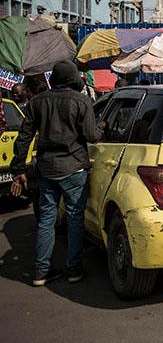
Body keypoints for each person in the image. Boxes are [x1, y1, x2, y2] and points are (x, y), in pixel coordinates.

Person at [10, 61, 105, 286]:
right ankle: (73, 269)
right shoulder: (81, 101)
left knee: (46, 220)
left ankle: (41, 272)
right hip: (74, 169)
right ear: (73, 78)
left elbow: (23, 137)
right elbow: (92, 136)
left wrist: (18, 169)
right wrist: (104, 127)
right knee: (74, 220)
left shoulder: (37, 102)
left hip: (47, 170)